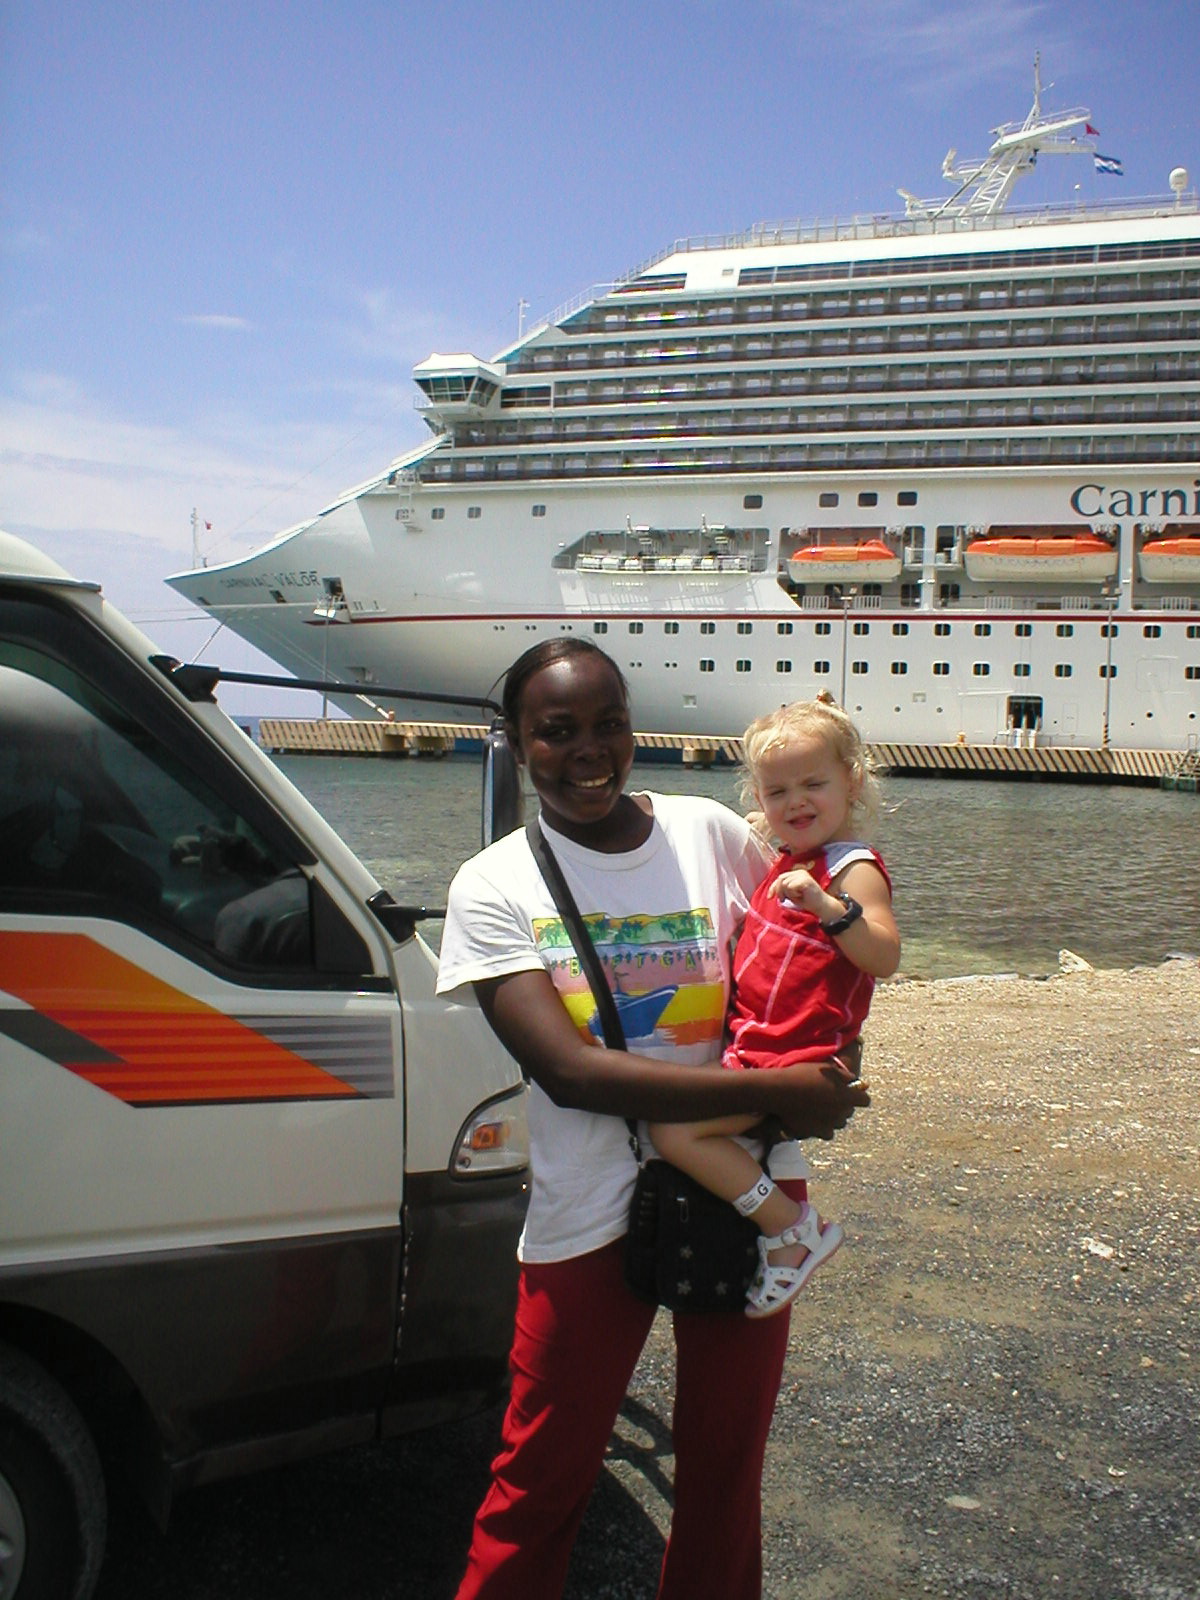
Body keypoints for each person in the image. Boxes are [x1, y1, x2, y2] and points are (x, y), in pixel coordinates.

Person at [435, 638, 868, 1600]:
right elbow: (571, 1073)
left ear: (634, 729)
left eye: (609, 725)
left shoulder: (709, 832)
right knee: (540, 1476)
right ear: (513, 740)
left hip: (749, 1186)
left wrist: (836, 1057)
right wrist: (783, 1094)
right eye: (556, 732)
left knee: (723, 1473)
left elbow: (811, 954)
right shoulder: (493, 885)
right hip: (588, 1204)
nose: (589, 752)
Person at [651, 697, 900, 1318]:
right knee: (676, 1122)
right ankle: (774, 1221)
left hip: (795, 1061)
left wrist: (829, 908)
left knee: (673, 1130)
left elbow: (885, 955)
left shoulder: (852, 869)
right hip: (758, 1052)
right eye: (777, 791)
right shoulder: (785, 864)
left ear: (854, 782)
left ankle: (790, 1230)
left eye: (814, 783)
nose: (796, 802)